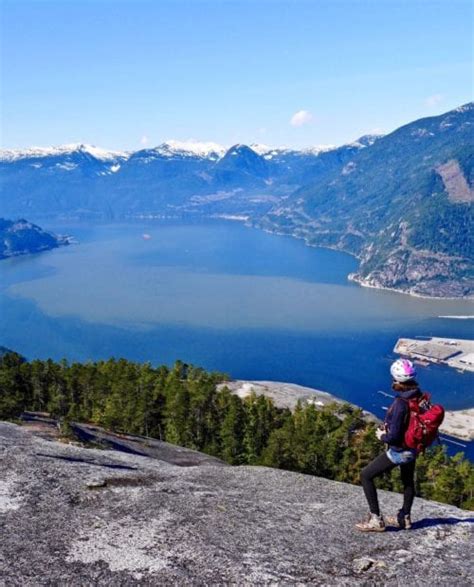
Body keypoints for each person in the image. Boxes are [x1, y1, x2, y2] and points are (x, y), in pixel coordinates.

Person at [355, 359, 422, 532]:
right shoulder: (418, 396)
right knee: (408, 481)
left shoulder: (401, 403)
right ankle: (404, 518)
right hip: (413, 447)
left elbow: (394, 437)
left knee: (366, 475)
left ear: (396, 379)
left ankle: (376, 519)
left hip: (400, 450)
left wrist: (382, 435)